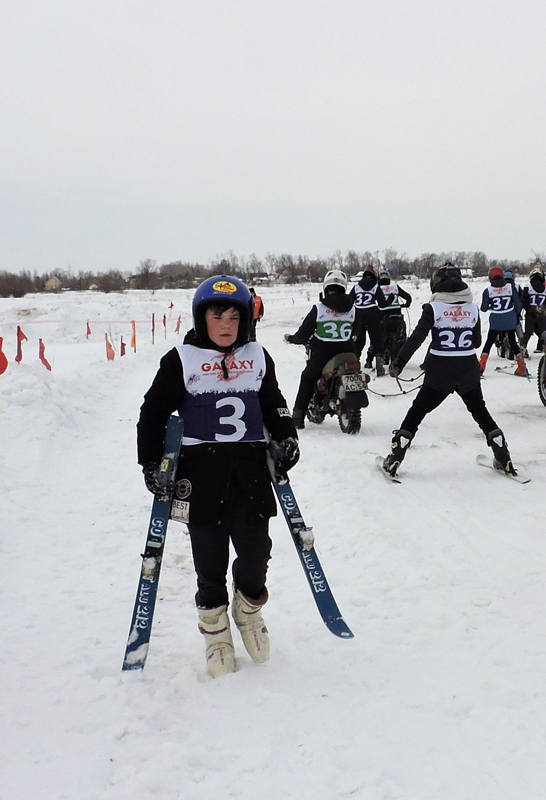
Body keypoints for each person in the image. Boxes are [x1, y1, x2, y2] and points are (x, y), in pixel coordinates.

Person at [137, 275, 299, 678]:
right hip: (200, 473)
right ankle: (216, 633)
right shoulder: (182, 359)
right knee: (209, 563)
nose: (226, 325)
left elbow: (273, 400)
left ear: (246, 320)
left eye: (234, 317)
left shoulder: (258, 356)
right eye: (217, 316)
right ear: (201, 318)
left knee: (257, 553)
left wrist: (287, 434)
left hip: (249, 470)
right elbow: (152, 412)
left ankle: (248, 611)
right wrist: (150, 462)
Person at [380, 264, 518, 477]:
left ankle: (396, 455)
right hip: (467, 370)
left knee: (417, 412)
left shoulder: (433, 308)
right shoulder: (472, 308)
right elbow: (476, 341)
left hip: (439, 372)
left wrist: (399, 362)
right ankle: (502, 454)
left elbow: (417, 337)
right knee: (480, 412)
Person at [284, 269, 359, 428]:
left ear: (326, 288)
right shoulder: (353, 309)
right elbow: (357, 330)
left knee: (307, 378)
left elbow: (304, 334)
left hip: (322, 354)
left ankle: (297, 417)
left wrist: (292, 339)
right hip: (347, 352)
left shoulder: (319, 309)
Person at [479, 266, 526, 376]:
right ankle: (521, 366)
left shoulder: (488, 290)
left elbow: (484, 308)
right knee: (513, 341)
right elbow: (518, 304)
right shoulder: (510, 287)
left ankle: (481, 365)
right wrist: (515, 314)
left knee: (489, 342)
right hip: (509, 319)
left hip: (496, 319)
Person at [348, 265, 389, 375]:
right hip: (372, 314)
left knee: (359, 341)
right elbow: (382, 304)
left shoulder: (356, 287)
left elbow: (349, 302)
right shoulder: (375, 287)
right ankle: (379, 367)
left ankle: (355, 365)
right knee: (376, 340)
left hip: (358, 314)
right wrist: (389, 300)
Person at [373, 268, 412, 366]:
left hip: (383, 317)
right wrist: (406, 304)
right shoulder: (395, 287)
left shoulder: (377, 288)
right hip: (397, 316)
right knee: (399, 337)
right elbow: (408, 297)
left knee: (382, 337)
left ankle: (384, 356)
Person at [520, 265, 546, 355]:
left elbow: (524, 301)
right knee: (543, 332)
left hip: (530, 314)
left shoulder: (527, 287)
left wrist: (528, 310)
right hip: (542, 313)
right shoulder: (545, 288)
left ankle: (522, 350)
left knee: (527, 334)